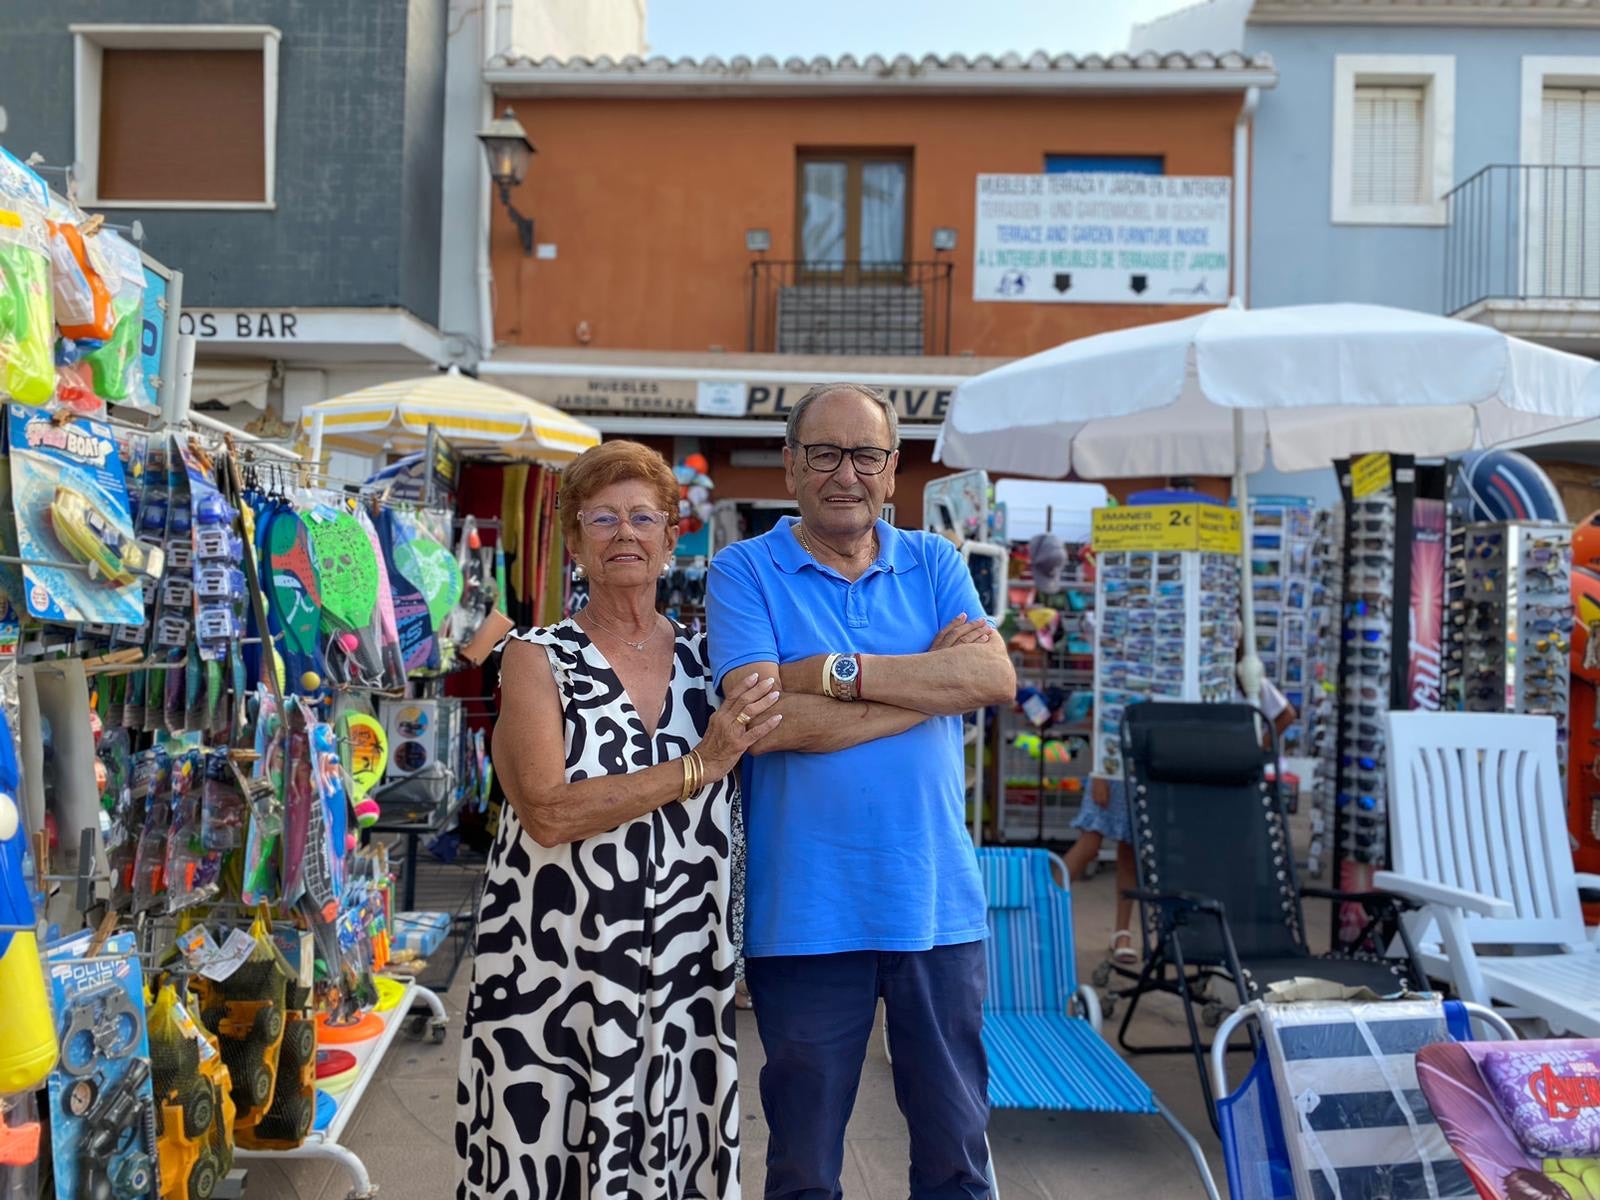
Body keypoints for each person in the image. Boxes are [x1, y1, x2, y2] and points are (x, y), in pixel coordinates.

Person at [707, 383, 1017, 1200]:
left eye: (866, 456)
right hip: (806, 912)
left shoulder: (936, 559)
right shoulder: (744, 570)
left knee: (957, 1154)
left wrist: (834, 674)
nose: (846, 473)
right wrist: (924, 690)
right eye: (824, 453)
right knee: (804, 1165)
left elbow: (991, 675)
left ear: (892, 471)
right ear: (789, 466)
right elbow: (759, 724)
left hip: (935, 904)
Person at [456, 441, 781, 1200]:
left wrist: (939, 657)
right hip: (554, 978)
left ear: (674, 537)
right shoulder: (537, 657)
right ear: (573, 540)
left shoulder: (713, 662)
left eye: (644, 517)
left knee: (668, 1163)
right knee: (540, 1164)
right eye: (601, 518)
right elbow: (547, 811)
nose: (624, 534)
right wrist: (700, 764)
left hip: (681, 978)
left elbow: (813, 706)